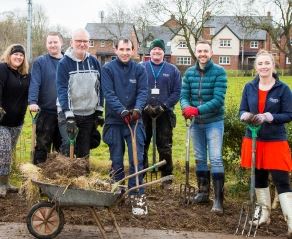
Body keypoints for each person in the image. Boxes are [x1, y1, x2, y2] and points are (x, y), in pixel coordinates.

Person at [239, 50, 292, 237]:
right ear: (256, 67)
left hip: (275, 140)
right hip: (254, 139)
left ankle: (290, 221)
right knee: (259, 178)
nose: (263, 66)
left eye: (267, 63)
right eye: (260, 64)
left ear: (273, 65)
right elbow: (242, 110)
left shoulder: (283, 89)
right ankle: (263, 214)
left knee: (281, 180)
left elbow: (289, 114)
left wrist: (269, 117)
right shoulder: (249, 87)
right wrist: (245, 116)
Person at [101, 37, 148, 216]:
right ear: (116, 50)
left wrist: (137, 109)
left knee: (137, 159)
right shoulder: (108, 69)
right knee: (117, 160)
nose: (125, 53)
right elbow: (109, 93)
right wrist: (121, 110)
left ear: (133, 50)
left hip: (135, 122)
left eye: (128, 49)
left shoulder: (139, 69)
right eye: (122, 49)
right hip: (115, 121)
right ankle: (118, 193)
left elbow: (143, 91)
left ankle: (137, 195)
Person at [180, 40, 227, 215]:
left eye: (205, 51)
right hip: (196, 123)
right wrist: (186, 108)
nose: (202, 54)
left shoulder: (219, 72)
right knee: (200, 157)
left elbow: (218, 100)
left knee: (215, 159)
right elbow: (183, 95)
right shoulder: (189, 73)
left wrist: (197, 110)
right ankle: (203, 192)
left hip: (213, 121)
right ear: (196, 53)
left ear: (211, 52)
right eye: (199, 51)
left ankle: (218, 200)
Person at [56, 28, 103, 160]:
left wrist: (99, 110)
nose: (82, 44)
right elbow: (62, 90)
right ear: (71, 42)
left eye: (85, 41)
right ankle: (65, 177)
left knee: (84, 150)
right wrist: (69, 116)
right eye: (78, 41)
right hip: (68, 113)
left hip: (88, 114)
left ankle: (82, 178)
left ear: (88, 43)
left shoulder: (94, 62)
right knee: (68, 145)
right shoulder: (64, 63)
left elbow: (100, 87)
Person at [141, 39, 181, 189]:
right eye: (154, 49)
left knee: (165, 146)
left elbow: (177, 92)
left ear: (164, 52)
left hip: (164, 114)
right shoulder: (142, 67)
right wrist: (144, 106)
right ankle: (141, 175)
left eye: (160, 49)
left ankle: (166, 178)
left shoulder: (172, 70)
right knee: (142, 144)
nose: (157, 52)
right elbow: (137, 89)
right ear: (149, 51)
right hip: (144, 113)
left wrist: (164, 106)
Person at [28, 32, 63, 164]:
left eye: (55, 42)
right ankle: (39, 174)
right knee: (43, 144)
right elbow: (35, 83)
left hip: (64, 113)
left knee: (62, 147)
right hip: (45, 112)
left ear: (61, 43)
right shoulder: (40, 62)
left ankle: (58, 178)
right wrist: (32, 101)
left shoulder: (68, 62)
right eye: (50, 42)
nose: (53, 45)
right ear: (46, 44)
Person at [0, 44, 30, 197]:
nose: (18, 57)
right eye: (15, 54)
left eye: (21, 55)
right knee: (3, 151)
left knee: (8, 153)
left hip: (17, 122)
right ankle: (1, 184)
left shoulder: (25, 74)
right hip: (2, 121)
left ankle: (6, 182)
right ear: (9, 55)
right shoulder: (2, 69)